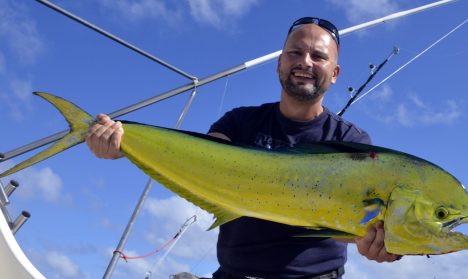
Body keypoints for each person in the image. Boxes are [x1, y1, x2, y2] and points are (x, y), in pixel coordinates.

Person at [86, 17, 401, 279]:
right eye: (295, 53)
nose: (305, 62)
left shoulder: (354, 144)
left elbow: (358, 227)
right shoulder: (239, 122)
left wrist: (372, 243)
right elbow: (198, 160)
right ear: (279, 63)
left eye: (318, 56)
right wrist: (125, 146)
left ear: (334, 74)